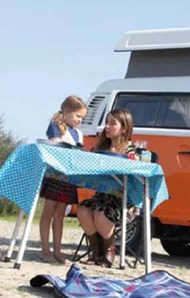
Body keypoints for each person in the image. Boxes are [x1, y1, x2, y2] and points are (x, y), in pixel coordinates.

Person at [77, 108, 134, 268]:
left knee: (101, 212)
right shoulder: (99, 148)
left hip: (123, 202)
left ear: (124, 128)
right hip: (101, 197)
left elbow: (135, 179)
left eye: (112, 123)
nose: (106, 127)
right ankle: (95, 250)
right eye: (106, 123)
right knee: (82, 209)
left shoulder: (131, 151)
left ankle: (109, 250)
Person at [39, 95, 87, 265]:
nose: (80, 120)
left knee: (60, 214)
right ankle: (45, 249)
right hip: (55, 176)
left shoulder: (78, 134)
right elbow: (54, 147)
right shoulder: (56, 126)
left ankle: (58, 251)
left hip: (68, 178)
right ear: (66, 112)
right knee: (48, 212)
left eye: (82, 117)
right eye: (78, 116)